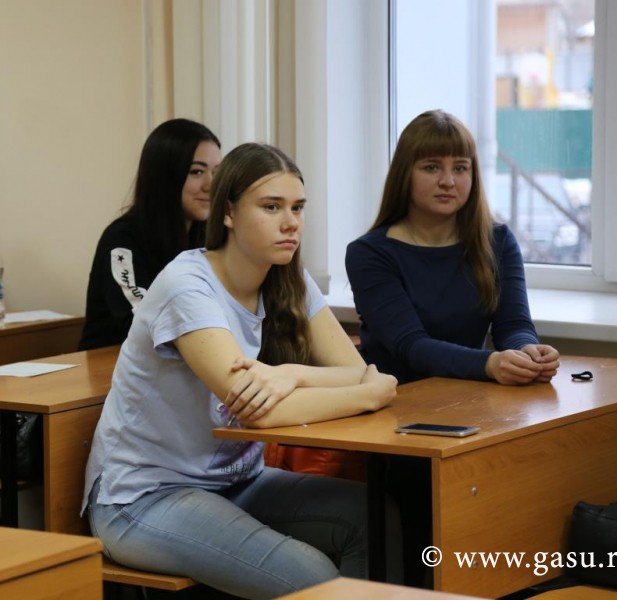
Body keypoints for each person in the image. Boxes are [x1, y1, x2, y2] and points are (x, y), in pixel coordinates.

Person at [81, 142, 398, 599]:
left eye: (297, 207)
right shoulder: (187, 286)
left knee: (375, 517)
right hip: (142, 497)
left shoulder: (287, 276)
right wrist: (372, 393)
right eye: (271, 207)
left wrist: (292, 374)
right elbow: (262, 412)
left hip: (237, 481)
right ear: (228, 213)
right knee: (313, 575)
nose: (291, 222)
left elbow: (356, 369)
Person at [345, 109, 560, 586]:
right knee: (432, 536)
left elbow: (514, 325)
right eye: (432, 167)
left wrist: (528, 352)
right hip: (398, 421)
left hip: (474, 409)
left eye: (460, 167)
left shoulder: (496, 240)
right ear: (405, 173)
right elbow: (411, 346)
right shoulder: (370, 253)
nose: (449, 181)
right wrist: (492, 364)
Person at [78, 118, 221, 350]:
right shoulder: (122, 239)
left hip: (185, 361)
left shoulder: (209, 237)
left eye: (217, 172)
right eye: (196, 172)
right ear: (165, 176)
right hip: (113, 365)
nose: (210, 185)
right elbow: (142, 320)